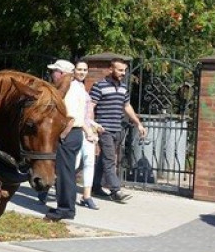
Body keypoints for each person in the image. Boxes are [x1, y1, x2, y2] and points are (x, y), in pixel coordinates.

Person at [91, 58, 147, 203]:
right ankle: (116, 190)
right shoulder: (99, 86)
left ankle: (95, 187)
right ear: (110, 69)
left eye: (124, 71)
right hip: (104, 129)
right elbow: (90, 106)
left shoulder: (123, 88)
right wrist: (92, 125)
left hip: (117, 128)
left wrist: (138, 123)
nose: (123, 73)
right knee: (110, 160)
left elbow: (127, 107)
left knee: (104, 158)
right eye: (120, 70)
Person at [45, 59, 92, 222]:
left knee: (64, 174)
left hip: (69, 134)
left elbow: (70, 118)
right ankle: (67, 207)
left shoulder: (70, 89)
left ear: (63, 74)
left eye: (55, 71)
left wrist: (60, 137)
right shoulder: (75, 87)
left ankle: (65, 209)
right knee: (67, 173)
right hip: (73, 134)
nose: (52, 74)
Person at [74, 61, 99, 210]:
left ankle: (87, 196)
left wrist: (94, 124)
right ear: (74, 70)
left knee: (90, 163)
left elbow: (85, 112)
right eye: (79, 69)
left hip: (88, 129)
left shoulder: (83, 87)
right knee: (74, 164)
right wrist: (88, 129)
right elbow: (75, 113)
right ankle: (47, 191)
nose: (82, 72)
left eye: (85, 70)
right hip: (78, 129)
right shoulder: (72, 87)